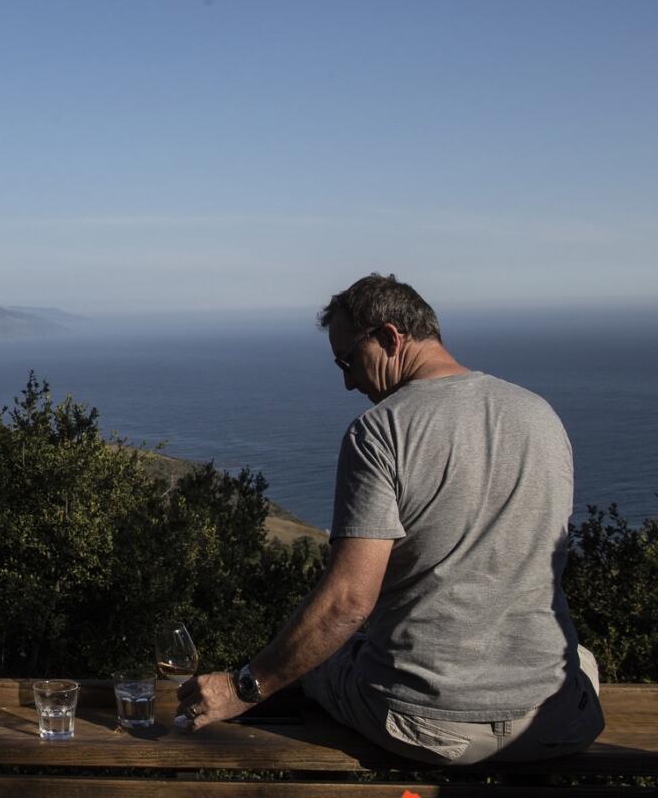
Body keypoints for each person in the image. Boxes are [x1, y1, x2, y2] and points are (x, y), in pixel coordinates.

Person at [177, 273, 604, 766]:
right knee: (583, 659)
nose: (348, 381)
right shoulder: (541, 415)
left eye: (348, 361)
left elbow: (347, 604)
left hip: (431, 728)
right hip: (558, 721)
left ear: (389, 337)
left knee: (321, 662)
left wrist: (243, 687)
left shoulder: (381, 432)